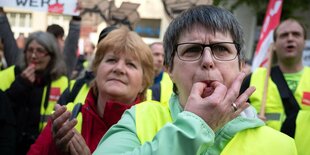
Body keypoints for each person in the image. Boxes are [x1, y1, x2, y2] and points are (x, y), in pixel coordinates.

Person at [94, 5, 297, 155]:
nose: (208, 61)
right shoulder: (139, 118)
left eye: (221, 49)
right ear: (169, 68)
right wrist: (194, 128)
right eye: (192, 50)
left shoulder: (282, 146)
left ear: (241, 64)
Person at [27, 26, 155, 154]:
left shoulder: (156, 128)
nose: (119, 68)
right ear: (96, 70)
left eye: (130, 64)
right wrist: (55, 149)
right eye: (111, 60)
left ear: (144, 82)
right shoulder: (68, 118)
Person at [240, 18, 309, 155]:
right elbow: (231, 119)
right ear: (274, 45)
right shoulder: (253, 79)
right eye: (284, 35)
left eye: (296, 34)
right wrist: (247, 122)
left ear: (304, 42)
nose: (290, 38)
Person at [0, 31, 69, 154]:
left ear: (51, 56)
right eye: (29, 50)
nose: (33, 56)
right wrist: (19, 85)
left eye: (40, 51)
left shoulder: (62, 82)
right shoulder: (8, 75)